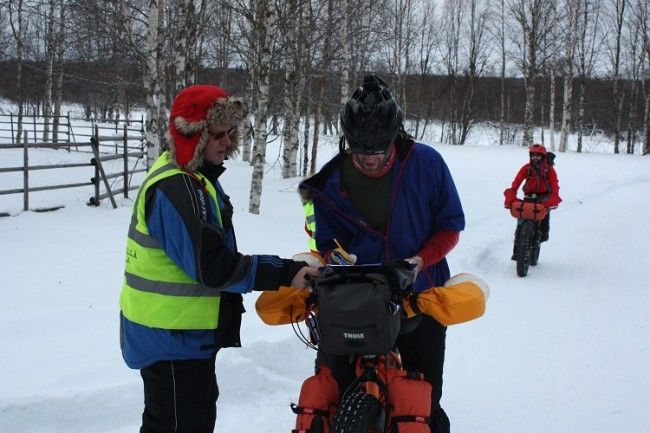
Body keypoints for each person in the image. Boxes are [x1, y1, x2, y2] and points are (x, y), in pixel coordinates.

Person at [119, 84, 319, 433]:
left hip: (181, 337)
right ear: (193, 136)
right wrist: (285, 272)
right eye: (217, 134)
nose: (226, 142)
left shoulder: (196, 179)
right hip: (170, 339)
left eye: (231, 133)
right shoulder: (176, 187)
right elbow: (213, 267)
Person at [298, 74, 465, 433]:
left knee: (424, 400)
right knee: (336, 392)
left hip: (419, 296)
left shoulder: (427, 164)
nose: (370, 159)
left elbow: (450, 226)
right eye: (360, 151)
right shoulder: (331, 181)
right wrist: (336, 260)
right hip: (355, 298)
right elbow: (326, 242)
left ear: (395, 137)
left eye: (378, 150)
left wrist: (421, 261)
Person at [503, 144, 561, 259]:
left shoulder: (549, 170)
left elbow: (555, 186)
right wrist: (511, 194)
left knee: (544, 228)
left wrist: (553, 199)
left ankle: (539, 241)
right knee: (520, 222)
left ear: (543, 156)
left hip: (544, 199)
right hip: (529, 197)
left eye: (538, 156)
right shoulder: (526, 168)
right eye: (533, 155)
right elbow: (516, 182)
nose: (535, 158)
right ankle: (517, 250)